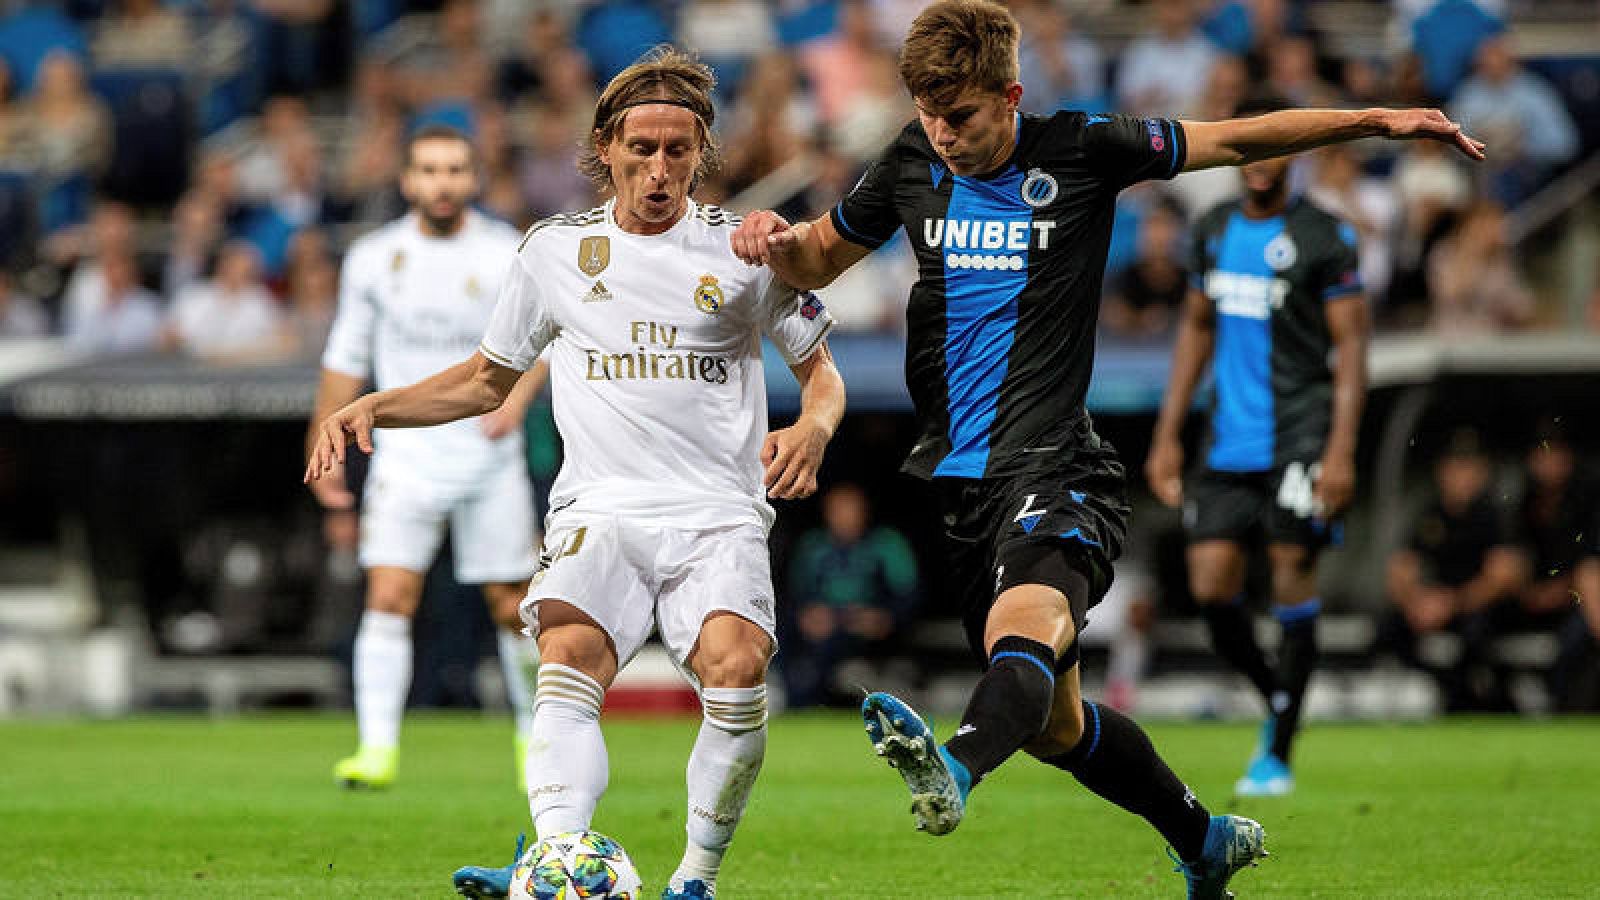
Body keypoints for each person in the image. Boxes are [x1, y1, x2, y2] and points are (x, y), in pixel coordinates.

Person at [730, 2, 1481, 895]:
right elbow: (818, 258)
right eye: (930, 114)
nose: (945, 134)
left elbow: (1235, 141)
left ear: (1010, 94)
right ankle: (1203, 840)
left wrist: (1372, 120)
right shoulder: (908, 160)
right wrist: (764, 239)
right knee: (1057, 727)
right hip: (961, 483)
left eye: (961, 116)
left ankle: (952, 767)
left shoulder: (1084, 147)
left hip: (1058, 465)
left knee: (1027, 627)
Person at [306, 48, 844, 900]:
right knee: (568, 656)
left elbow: (822, 372)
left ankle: (693, 879)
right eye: (642, 149)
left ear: (700, 154)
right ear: (606, 148)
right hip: (600, 507)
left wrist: (813, 427)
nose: (659, 169)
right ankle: (558, 858)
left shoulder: (747, 249)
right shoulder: (554, 252)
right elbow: (488, 377)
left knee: (736, 673)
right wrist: (376, 405)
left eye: (678, 150)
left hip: (717, 513)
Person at [307, 124, 547, 792]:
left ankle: (537, 739)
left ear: (473, 178)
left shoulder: (508, 251)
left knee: (510, 604)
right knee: (388, 594)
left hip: (485, 456)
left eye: (455, 169)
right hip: (405, 459)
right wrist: (320, 446)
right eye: (429, 170)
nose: (442, 182)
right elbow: (343, 361)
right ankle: (375, 750)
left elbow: (543, 339)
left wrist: (514, 402)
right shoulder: (373, 258)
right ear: (407, 180)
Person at [1146, 95, 1370, 797]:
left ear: (1294, 153)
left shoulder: (1326, 238)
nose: (1264, 161)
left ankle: (1276, 747)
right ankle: (1281, 696)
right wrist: (1167, 434)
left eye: (1278, 147)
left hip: (1300, 435)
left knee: (1289, 577)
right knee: (1212, 586)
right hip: (1223, 443)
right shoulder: (1211, 230)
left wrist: (1340, 451)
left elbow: (1354, 348)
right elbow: (1195, 331)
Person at [783, 482, 919, 708]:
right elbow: (796, 595)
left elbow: (909, 595)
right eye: (838, 511)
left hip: (871, 627)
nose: (845, 518)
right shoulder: (813, 546)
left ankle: (824, 702)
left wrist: (884, 617)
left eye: (851, 510)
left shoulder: (887, 544)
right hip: (826, 625)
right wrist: (807, 615)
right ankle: (797, 704)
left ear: (864, 511)